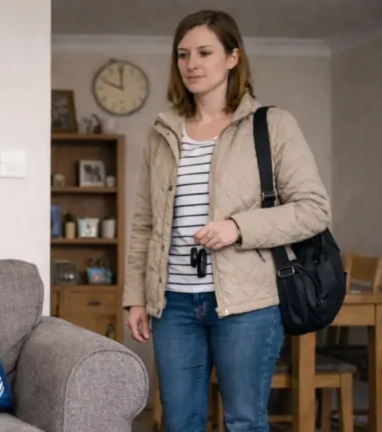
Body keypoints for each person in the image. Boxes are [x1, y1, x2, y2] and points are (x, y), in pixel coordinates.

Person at [122, 10, 331, 432]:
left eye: (204, 53)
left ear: (233, 58)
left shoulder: (272, 125)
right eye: (183, 54)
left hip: (247, 304)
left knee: (244, 422)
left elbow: (314, 209)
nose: (191, 64)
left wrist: (237, 228)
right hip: (173, 303)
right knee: (179, 422)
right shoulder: (162, 131)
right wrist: (137, 297)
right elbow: (145, 224)